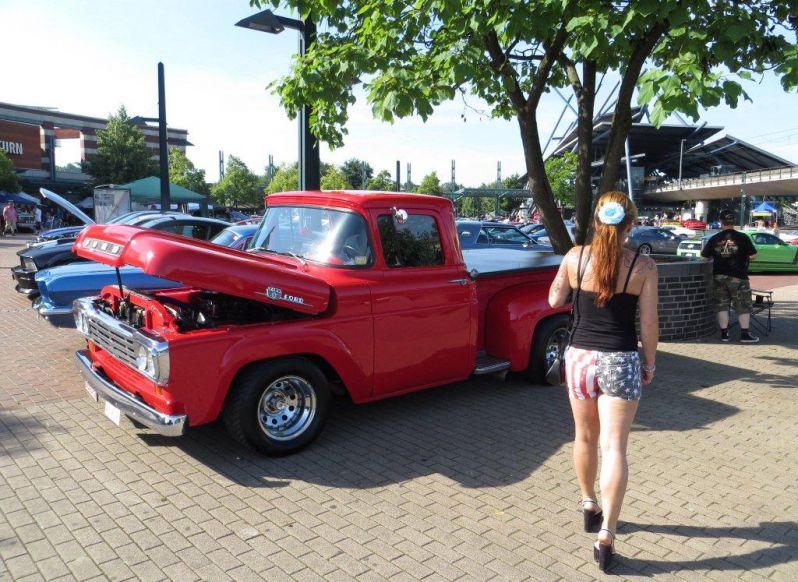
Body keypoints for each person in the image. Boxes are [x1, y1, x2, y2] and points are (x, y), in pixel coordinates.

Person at [548, 191, 658, 573]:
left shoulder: (575, 256)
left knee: (584, 436)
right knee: (615, 449)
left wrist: (569, 279)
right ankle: (607, 534)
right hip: (621, 360)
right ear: (630, 224)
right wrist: (650, 363)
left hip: (579, 358)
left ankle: (588, 503)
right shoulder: (642, 267)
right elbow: (648, 324)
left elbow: (553, 300)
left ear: (596, 223)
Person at [701, 209, 759, 343]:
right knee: (743, 305)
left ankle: (724, 334)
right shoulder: (743, 237)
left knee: (722, 305)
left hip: (719, 275)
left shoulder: (714, 238)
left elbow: (704, 257)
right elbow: (753, 255)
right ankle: (744, 335)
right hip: (738, 276)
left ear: (721, 222)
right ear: (733, 222)